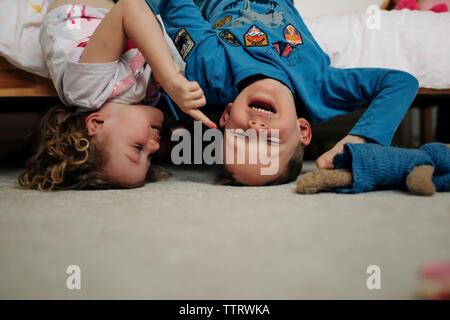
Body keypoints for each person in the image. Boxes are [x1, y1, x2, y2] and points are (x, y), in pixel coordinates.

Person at [157, 0, 419, 185]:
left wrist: (169, 83)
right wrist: (361, 140)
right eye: (270, 141)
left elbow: (173, 5)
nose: (257, 128)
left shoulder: (212, 69)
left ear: (225, 116)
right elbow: (400, 82)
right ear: (303, 130)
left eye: (242, 137)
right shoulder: (320, 88)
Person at [19, 0, 213, 191]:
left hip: (84, 7)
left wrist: (170, 78)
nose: (153, 148)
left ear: (95, 124)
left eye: (138, 148)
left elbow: (130, 7)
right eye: (149, 157)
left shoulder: (85, 91)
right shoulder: (143, 100)